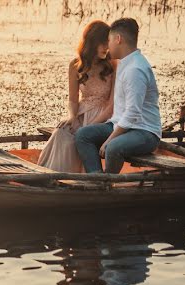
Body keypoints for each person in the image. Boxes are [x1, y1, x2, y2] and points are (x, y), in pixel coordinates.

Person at [74, 18, 161, 174]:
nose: (107, 46)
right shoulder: (123, 63)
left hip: (144, 132)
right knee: (83, 135)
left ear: (118, 39)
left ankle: (107, 183)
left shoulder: (135, 69)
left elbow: (132, 113)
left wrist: (109, 139)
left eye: (109, 40)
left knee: (113, 147)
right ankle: (98, 180)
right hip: (121, 126)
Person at [38, 21, 116, 172]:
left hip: (103, 117)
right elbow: (73, 99)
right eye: (103, 42)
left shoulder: (112, 65)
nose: (107, 47)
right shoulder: (75, 65)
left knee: (83, 136)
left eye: (108, 42)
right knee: (62, 132)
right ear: (92, 42)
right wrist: (72, 116)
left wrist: (90, 126)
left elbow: (111, 106)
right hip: (81, 112)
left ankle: (83, 178)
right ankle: (54, 176)